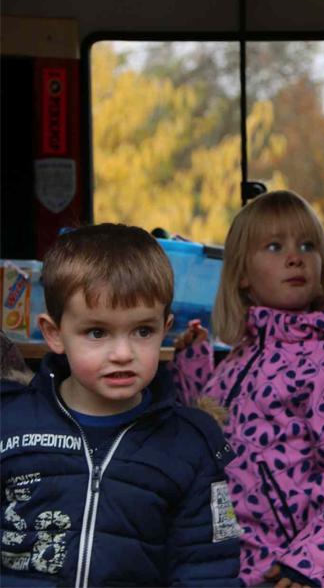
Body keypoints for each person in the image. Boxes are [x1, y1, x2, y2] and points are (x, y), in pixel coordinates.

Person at [1, 224, 241, 588]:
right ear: (54, 333)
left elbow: (207, 569)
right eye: (97, 332)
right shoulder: (9, 423)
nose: (123, 354)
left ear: (165, 329)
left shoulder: (192, 445)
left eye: (143, 331)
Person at [170, 190, 324, 588]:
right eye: (274, 246)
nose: (295, 257)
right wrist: (191, 365)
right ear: (243, 276)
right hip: (220, 545)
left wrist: (312, 559)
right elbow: (210, 432)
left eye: (308, 246)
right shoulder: (241, 355)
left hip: (280, 557)